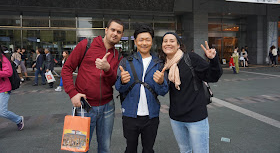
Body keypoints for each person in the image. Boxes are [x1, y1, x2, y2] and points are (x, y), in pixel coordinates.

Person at [61, 19, 124, 153]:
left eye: (119, 32)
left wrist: (107, 69)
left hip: (108, 107)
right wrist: (72, 93)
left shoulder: (117, 55)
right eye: (113, 30)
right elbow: (66, 68)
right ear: (106, 30)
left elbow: (113, 81)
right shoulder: (86, 44)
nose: (115, 34)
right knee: (79, 149)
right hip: (84, 107)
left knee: (105, 148)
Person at [160, 32, 222, 153]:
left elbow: (213, 76)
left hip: (196, 118)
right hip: (176, 118)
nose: (168, 43)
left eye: (172, 41)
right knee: (185, 150)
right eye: (165, 41)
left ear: (178, 45)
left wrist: (213, 60)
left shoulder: (190, 58)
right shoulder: (164, 64)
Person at [115, 25, 169, 153]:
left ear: (152, 41)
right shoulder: (126, 62)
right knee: (130, 148)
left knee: (148, 149)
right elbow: (119, 88)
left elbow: (163, 92)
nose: (144, 43)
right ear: (135, 42)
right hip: (130, 114)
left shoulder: (159, 63)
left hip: (151, 116)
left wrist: (161, 82)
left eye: (147, 39)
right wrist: (122, 81)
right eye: (141, 39)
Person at [0, 44, 24, 131]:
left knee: (2, 111)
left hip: (3, 89)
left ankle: (18, 119)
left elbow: (9, 72)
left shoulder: (3, 59)